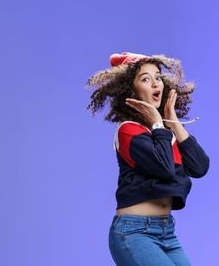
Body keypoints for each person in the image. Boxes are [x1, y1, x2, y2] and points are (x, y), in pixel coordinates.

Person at [87, 52, 211, 266]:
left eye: (158, 77)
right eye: (145, 79)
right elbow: (164, 168)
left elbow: (199, 167)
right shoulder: (129, 131)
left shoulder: (165, 131)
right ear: (131, 90)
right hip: (134, 233)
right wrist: (157, 123)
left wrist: (173, 122)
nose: (156, 83)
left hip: (166, 232)